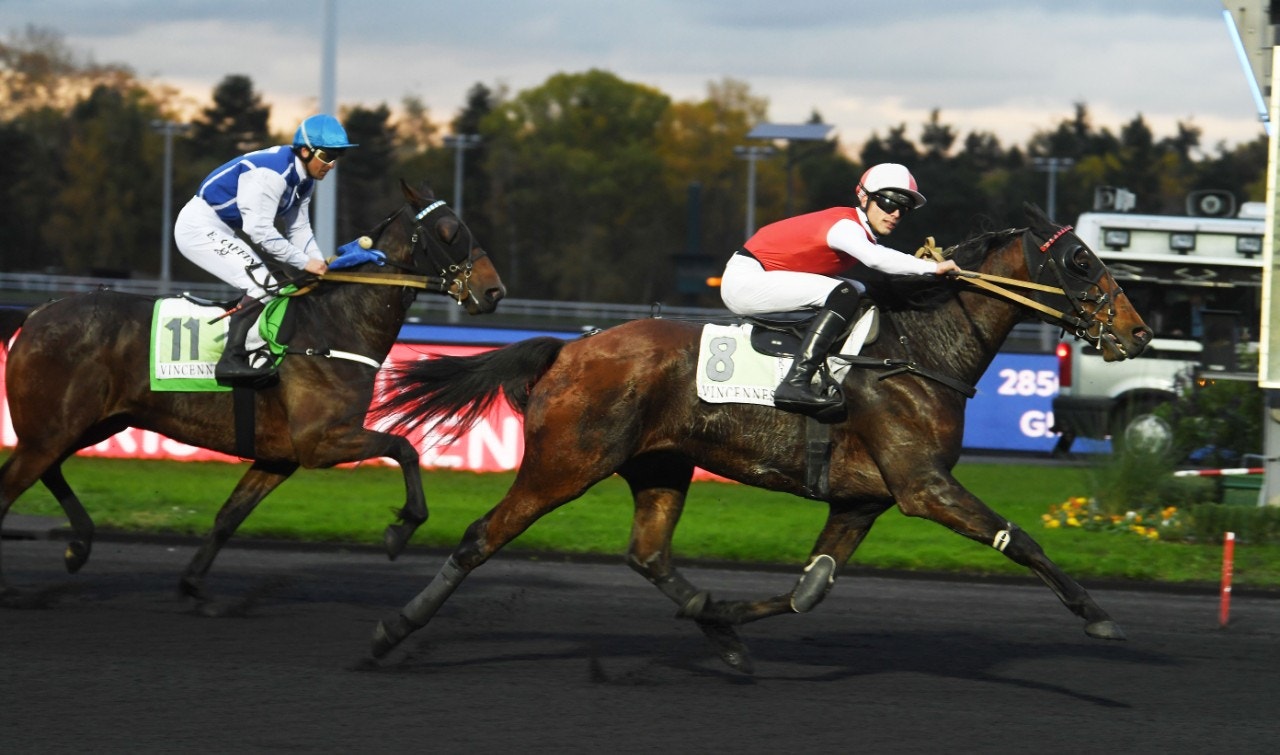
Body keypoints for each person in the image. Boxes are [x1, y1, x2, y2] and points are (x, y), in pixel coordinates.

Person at [719, 162, 960, 418]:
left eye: (904, 208)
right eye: (889, 203)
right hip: (745, 281)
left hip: (760, 277)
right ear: (864, 197)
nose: (896, 213)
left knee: (861, 290)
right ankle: (795, 383)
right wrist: (932, 269)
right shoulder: (846, 226)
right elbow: (876, 259)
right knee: (846, 292)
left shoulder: (857, 229)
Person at [174, 113, 358, 383]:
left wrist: (319, 265)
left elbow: (299, 228)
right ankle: (232, 360)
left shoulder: (304, 180)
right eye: (327, 156)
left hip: (220, 228)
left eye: (336, 157)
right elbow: (259, 231)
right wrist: (305, 263)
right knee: (262, 286)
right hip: (197, 228)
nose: (331, 165)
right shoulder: (271, 175)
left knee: (274, 286)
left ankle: (253, 352)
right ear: (306, 151)